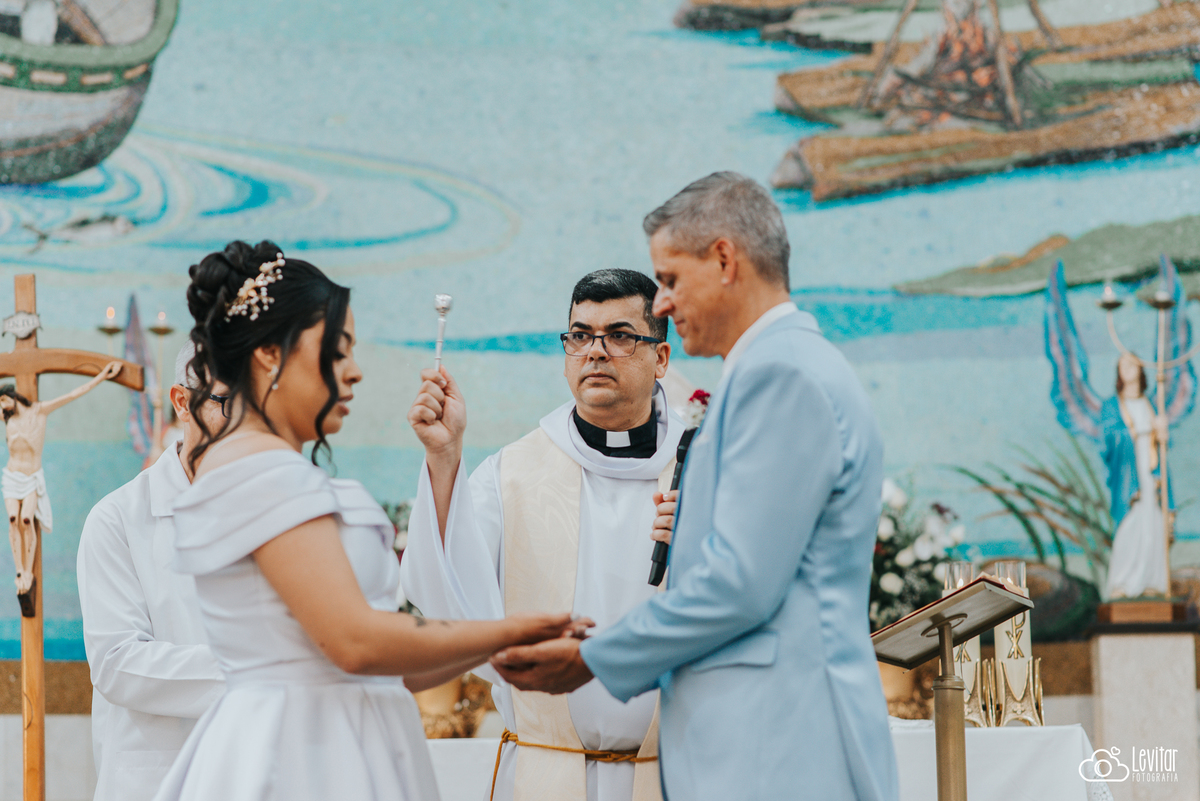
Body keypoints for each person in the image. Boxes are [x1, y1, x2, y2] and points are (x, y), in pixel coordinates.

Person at [491, 173, 899, 801]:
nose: (662, 305)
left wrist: (594, 657)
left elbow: (741, 583)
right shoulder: (775, 367)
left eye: (672, 279)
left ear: (725, 260)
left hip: (781, 745)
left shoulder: (780, 376)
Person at [152, 240, 582, 801]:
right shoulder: (259, 472)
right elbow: (356, 642)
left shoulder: (266, 467)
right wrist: (511, 630)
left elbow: (390, 667)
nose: (354, 373)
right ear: (270, 355)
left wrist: (499, 650)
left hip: (336, 736)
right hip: (299, 758)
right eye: (337, 352)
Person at [402, 268, 684, 801]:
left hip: (672, 774)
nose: (595, 352)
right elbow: (444, 592)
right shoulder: (513, 473)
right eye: (580, 336)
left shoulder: (703, 472)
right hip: (544, 769)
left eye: (619, 336)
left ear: (661, 358)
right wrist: (443, 457)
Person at [78, 343, 227, 801]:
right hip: (153, 781)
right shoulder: (117, 519)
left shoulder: (275, 514)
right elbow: (117, 663)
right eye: (227, 403)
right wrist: (250, 673)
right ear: (182, 402)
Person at [2, 359, 122, 611]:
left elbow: (73, 394)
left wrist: (102, 375)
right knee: (13, 519)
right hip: (12, 477)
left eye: (3, 400)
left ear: (11, 396)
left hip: (31, 478)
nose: (2, 406)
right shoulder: (6, 418)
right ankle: (21, 571)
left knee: (26, 519)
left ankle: (29, 572)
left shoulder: (39, 411)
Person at [1102, 352, 1170, 598]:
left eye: (1132, 363)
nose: (1127, 368)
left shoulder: (1151, 404)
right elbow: (1108, 438)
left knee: (1153, 522)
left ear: (1141, 369)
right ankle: (1122, 582)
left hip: (1151, 472)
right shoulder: (1112, 406)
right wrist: (1135, 433)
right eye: (1123, 364)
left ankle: (1152, 581)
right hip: (1128, 474)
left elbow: (1163, 445)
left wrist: (1161, 432)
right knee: (1129, 526)